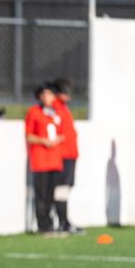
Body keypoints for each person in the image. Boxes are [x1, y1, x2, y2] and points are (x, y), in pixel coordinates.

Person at [25, 82, 64, 235]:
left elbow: (61, 133)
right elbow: (29, 136)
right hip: (41, 161)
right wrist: (43, 141)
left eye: (51, 94)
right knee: (41, 195)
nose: (49, 97)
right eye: (46, 94)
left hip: (54, 161)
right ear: (40, 96)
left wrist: (57, 139)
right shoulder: (34, 112)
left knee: (51, 195)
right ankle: (43, 225)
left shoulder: (55, 113)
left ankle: (51, 223)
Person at [51, 78, 82, 234]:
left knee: (66, 187)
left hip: (70, 154)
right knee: (61, 187)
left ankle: (64, 221)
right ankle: (62, 222)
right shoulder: (55, 107)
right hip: (62, 155)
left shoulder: (63, 107)